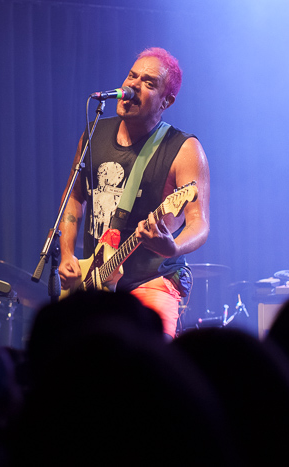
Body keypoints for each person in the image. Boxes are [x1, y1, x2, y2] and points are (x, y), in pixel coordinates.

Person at [57, 47, 210, 336]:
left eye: (149, 83)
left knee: (147, 365)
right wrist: (67, 255)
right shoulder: (94, 134)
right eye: (132, 75)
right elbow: (74, 198)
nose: (133, 85)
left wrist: (173, 247)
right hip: (97, 277)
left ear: (167, 100)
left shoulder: (184, 149)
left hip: (152, 278)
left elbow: (199, 223)